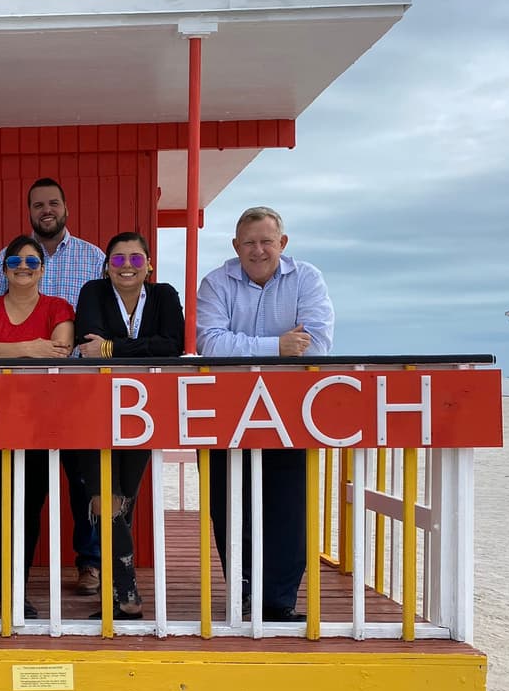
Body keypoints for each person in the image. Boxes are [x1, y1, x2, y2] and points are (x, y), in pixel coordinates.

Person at [196, 205, 334, 622]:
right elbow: (211, 345)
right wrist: (276, 346)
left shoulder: (307, 278)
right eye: (249, 243)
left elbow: (318, 344)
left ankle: (278, 601)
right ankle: (241, 591)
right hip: (226, 411)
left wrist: (248, 345)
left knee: (289, 507)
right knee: (229, 504)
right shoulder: (216, 282)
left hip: (291, 411)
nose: (258, 250)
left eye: (266, 242)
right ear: (236, 246)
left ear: (282, 244)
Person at [0, 178, 107, 598]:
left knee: (84, 481)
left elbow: (71, 338)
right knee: (22, 490)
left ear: (66, 207)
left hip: (79, 391)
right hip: (17, 401)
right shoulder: (6, 257)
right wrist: (29, 349)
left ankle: (89, 564)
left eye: (53, 203)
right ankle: (7, 582)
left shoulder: (93, 257)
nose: (46, 210)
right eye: (38, 205)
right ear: (30, 211)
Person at [75, 231, 185, 619]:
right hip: (91, 407)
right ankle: (128, 593)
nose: (126, 266)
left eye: (136, 259)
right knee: (105, 498)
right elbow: (86, 341)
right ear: (107, 265)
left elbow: (172, 344)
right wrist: (132, 346)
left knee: (125, 501)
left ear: (149, 265)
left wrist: (110, 347)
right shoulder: (93, 292)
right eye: (118, 259)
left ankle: (117, 588)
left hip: (143, 410)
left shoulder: (165, 295)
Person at [0, 234, 74, 619]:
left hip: (37, 423)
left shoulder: (58, 307)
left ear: (42, 269)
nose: (23, 268)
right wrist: (32, 347)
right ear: (4, 269)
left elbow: (60, 349)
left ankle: (18, 586)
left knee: (27, 508)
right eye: (15, 262)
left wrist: (9, 349)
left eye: (31, 262)